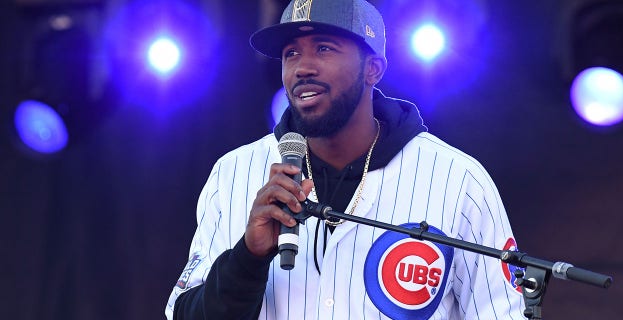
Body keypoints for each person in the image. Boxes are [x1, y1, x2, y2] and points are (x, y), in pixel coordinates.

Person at [166, 0, 526, 319]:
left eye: (324, 48)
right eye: (291, 53)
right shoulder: (233, 173)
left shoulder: (458, 179)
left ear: (373, 69)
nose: (302, 67)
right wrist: (248, 257)